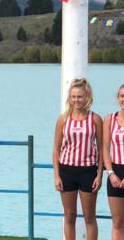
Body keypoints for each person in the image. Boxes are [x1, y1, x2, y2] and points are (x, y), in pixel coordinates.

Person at [53, 78, 102, 240]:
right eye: (73, 96)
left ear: (87, 97)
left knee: (89, 217)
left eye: (80, 96)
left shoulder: (95, 119)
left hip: (88, 172)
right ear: (70, 98)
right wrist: (57, 175)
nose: (76, 100)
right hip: (67, 171)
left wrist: (99, 175)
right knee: (69, 216)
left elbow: (102, 149)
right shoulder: (63, 119)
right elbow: (56, 149)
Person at [104, 84, 124, 240]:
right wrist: (111, 174)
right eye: (122, 96)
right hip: (115, 172)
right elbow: (105, 148)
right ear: (118, 98)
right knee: (117, 222)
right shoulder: (109, 119)